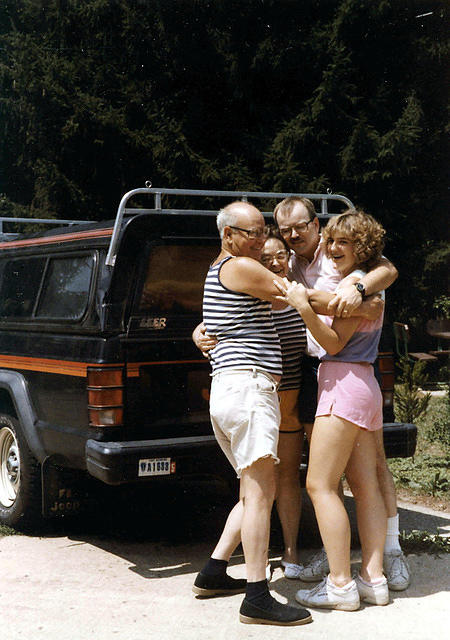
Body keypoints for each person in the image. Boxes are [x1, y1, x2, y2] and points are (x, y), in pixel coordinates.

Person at [274, 196, 410, 591]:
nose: (332, 249)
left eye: (340, 243)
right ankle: (373, 578)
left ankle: (340, 583)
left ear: (361, 248)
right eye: (332, 243)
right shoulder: (332, 273)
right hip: (360, 380)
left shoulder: (356, 281)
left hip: (339, 378)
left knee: (318, 484)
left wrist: (301, 303)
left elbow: (333, 342)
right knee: (363, 484)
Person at [192, 201, 312, 627]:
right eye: (253, 233)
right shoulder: (240, 267)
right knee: (263, 494)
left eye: (264, 231)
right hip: (248, 388)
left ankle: (213, 571)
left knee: (251, 490)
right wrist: (358, 293)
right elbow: (296, 296)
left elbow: (274, 305)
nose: (262, 241)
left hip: (233, 390)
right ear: (228, 235)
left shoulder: (224, 270)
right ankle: (258, 596)